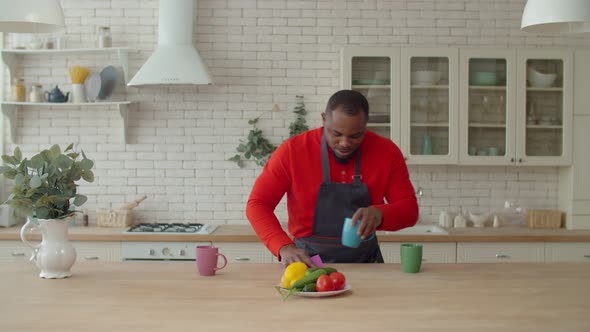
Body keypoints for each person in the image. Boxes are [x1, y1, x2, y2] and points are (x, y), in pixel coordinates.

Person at [246, 90, 418, 265]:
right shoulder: (292, 151)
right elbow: (258, 204)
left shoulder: (387, 152)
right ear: (323, 119)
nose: (344, 143)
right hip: (309, 261)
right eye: (336, 134)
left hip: (367, 262)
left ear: (366, 125)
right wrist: (283, 246)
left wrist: (381, 214)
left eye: (355, 136)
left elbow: (410, 211)